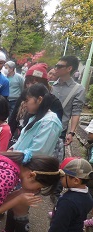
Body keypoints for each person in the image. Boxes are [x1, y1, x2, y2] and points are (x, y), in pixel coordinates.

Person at [0, 83, 62, 232]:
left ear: (39, 99)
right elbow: (23, 141)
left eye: (28, 100)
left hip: (31, 172)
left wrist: (9, 155)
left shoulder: (50, 121)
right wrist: (11, 151)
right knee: (14, 200)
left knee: (21, 206)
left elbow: (39, 151)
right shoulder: (38, 116)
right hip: (20, 166)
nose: (25, 104)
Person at [37, 157, 93, 232]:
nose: (61, 179)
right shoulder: (88, 197)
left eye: (64, 176)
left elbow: (59, 226)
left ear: (76, 180)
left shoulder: (68, 201)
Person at [50, 56, 86, 205]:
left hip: (61, 130)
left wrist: (71, 132)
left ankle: (56, 190)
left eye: (59, 66)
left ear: (69, 68)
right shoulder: (52, 85)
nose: (56, 68)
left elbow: (76, 112)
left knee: (59, 162)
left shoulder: (78, 89)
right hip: (44, 127)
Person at [8, 64, 63, 149]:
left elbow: (40, 148)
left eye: (34, 83)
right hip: (17, 141)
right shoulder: (22, 98)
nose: (30, 86)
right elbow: (13, 121)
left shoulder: (53, 107)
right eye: (28, 82)